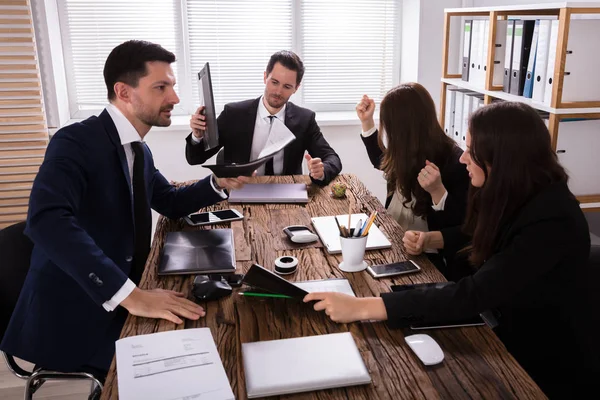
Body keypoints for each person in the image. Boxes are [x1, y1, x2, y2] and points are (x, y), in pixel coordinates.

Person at [0, 40, 250, 380]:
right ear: (124, 92)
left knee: (219, 333)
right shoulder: (75, 141)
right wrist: (130, 296)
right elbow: (46, 220)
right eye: (161, 87)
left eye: (172, 86)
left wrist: (218, 184)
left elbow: (168, 202)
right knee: (195, 363)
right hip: (77, 315)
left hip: (126, 291)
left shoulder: (138, 150)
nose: (174, 99)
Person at [305, 102, 591, 398]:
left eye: (472, 150)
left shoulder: (551, 219)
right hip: (497, 322)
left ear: (501, 157)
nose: (464, 157)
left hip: (538, 359)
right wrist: (424, 251)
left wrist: (364, 307)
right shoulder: (509, 191)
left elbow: (477, 292)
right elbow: (472, 243)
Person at [355, 83, 469, 273]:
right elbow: (382, 161)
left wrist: (437, 192)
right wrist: (367, 123)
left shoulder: (455, 161)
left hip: (431, 259)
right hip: (393, 239)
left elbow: (463, 227)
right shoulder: (405, 151)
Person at [185, 50, 342, 186]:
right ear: (265, 77)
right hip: (241, 190)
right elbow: (195, 158)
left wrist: (321, 171)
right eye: (274, 82)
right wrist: (197, 136)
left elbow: (332, 158)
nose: (278, 91)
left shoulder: (305, 119)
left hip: (287, 193)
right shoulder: (233, 113)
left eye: (287, 86)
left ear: (296, 88)